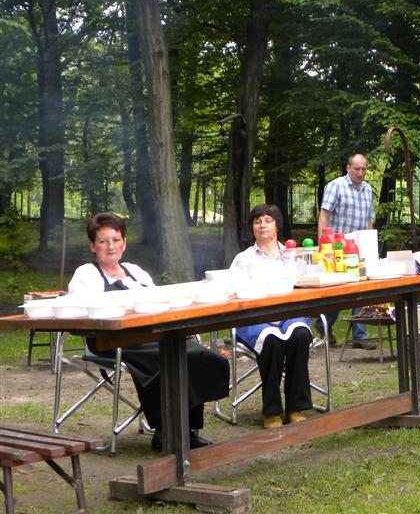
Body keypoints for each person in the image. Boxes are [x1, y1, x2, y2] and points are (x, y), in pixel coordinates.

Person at [68, 212, 230, 452]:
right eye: (103, 241)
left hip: (153, 335)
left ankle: (187, 429)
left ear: (124, 243)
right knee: (171, 358)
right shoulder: (86, 274)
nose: (111, 246)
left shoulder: (135, 271)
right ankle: (166, 431)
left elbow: (157, 301)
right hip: (112, 341)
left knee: (195, 354)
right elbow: (79, 310)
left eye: (116, 240)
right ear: (93, 246)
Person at [229, 204, 313, 428]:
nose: (262, 225)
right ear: (252, 228)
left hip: (289, 313)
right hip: (256, 317)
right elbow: (233, 293)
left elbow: (305, 284)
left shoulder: (292, 255)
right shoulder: (242, 259)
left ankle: (296, 407)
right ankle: (272, 410)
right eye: (257, 221)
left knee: (300, 334)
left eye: (268, 220)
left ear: (277, 225)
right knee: (271, 340)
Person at [317, 153, 376, 350]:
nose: (360, 173)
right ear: (348, 168)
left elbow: (369, 219)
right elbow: (324, 215)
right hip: (337, 247)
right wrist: (323, 244)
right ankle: (323, 325)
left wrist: (370, 244)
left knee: (361, 289)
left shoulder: (368, 189)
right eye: (357, 169)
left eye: (364, 169)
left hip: (359, 247)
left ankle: (360, 335)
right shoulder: (336, 186)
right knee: (339, 293)